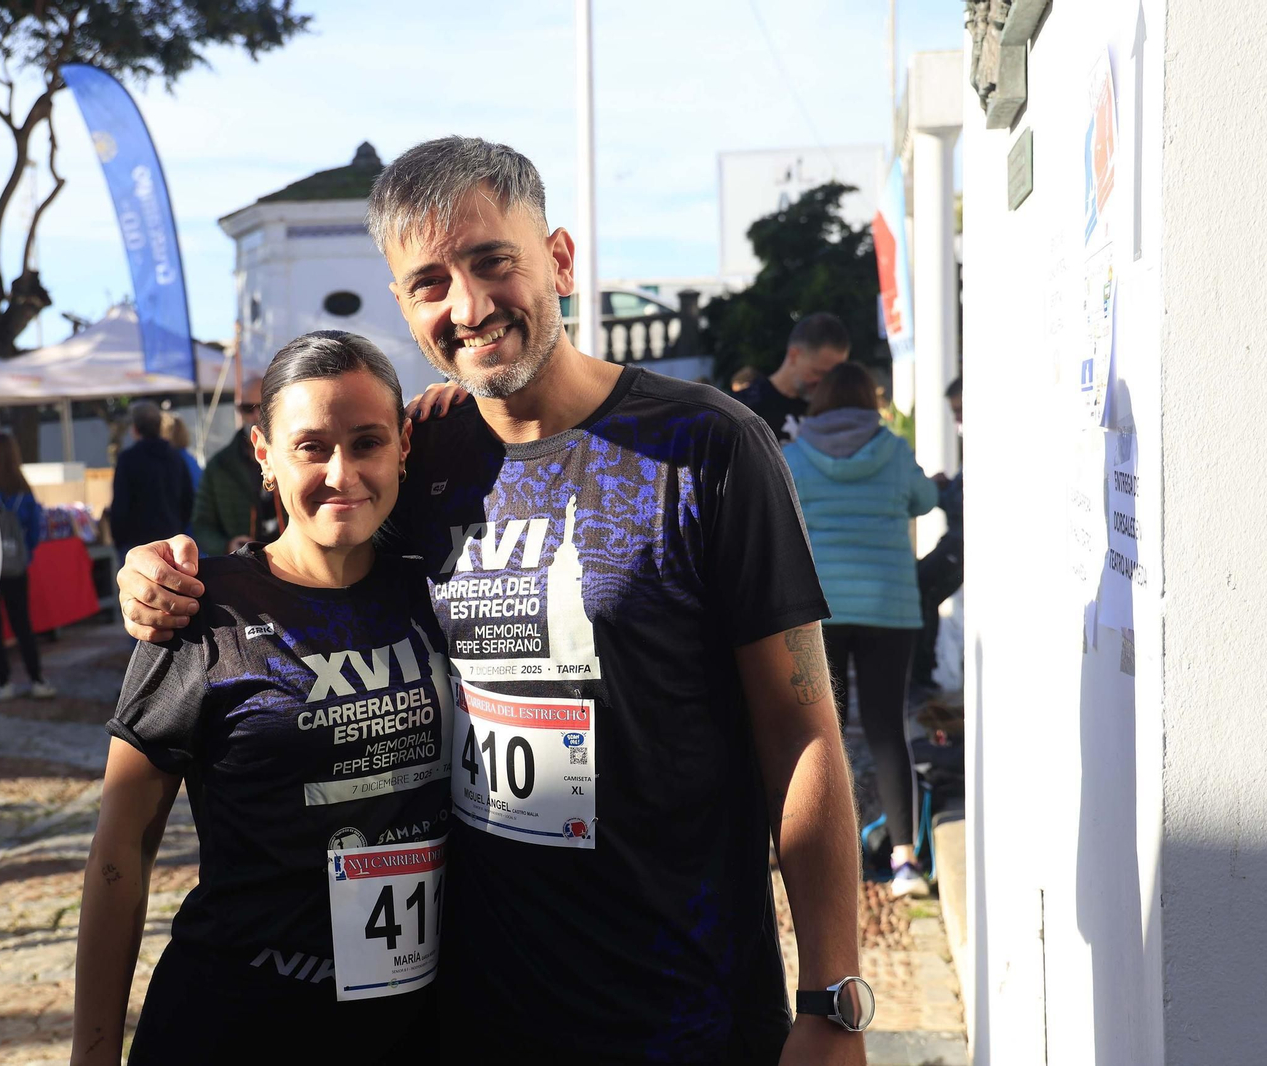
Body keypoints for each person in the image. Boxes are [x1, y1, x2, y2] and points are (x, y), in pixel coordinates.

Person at [114, 136, 870, 1065]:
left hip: (684, 1011)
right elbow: (307, 564)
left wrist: (833, 1000)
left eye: (491, 262)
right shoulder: (424, 458)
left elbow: (801, 731)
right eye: (430, 281)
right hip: (476, 1016)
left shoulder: (707, 448)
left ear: (556, 258)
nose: (469, 306)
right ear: (402, 303)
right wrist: (167, 579)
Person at [72, 332, 447, 1064]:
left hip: (418, 1024)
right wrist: (92, 1055)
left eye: (367, 442)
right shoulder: (199, 612)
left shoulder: (439, 587)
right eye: (311, 446)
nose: (343, 473)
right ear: (264, 454)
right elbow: (121, 849)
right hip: (238, 1020)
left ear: (403, 444)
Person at [781, 362, 939, 899]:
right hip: (889, 606)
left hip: (819, 608)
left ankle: (826, 857)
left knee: (822, 731)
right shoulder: (893, 451)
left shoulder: (796, 456)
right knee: (886, 728)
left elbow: (781, 517)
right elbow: (924, 500)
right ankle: (905, 863)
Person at [0, 431, 55, 700]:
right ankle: (37, 678)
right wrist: (25, 555)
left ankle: (3, 683)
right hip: (17, 567)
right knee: (23, 624)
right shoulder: (24, 489)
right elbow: (36, 529)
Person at [912, 377, 964, 695]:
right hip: (956, 538)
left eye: (960, 411)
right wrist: (942, 488)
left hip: (963, 542)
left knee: (921, 587)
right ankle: (920, 673)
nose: (957, 420)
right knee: (920, 586)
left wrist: (942, 490)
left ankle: (922, 675)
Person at [191, 375, 281, 556]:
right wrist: (227, 546)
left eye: (263, 407)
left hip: (294, 562)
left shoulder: (295, 455)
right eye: (248, 408)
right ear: (239, 411)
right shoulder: (219, 465)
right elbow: (201, 524)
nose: (256, 416)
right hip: (247, 566)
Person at [734, 312, 852, 442]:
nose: (824, 383)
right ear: (794, 355)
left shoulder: (831, 412)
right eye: (818, 373)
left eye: (832, 377)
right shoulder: (744, 408)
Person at [108, 401, 194, 559]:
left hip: (138, 545)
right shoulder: (175, 456)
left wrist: (119, 542)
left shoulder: (128, 459)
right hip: (171, 542)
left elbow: (120, 505)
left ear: (134, 429)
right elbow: (188, 500)